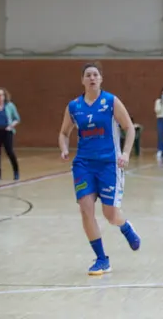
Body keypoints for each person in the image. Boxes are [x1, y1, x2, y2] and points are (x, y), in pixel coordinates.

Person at [58, 62, 141, 276]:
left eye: (95, 74)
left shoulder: (111, 101)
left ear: (101, 79)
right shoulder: (74, 107)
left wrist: (125, 153)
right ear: (83, 80)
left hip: (109, 164)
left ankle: (125, 226)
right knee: (85, 209)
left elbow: (129, 128)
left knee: (110, 214)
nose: (92, 78)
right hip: (83, 164)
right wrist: (64, 148)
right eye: (88, 75)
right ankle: (102, 259)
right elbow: (64, 133)